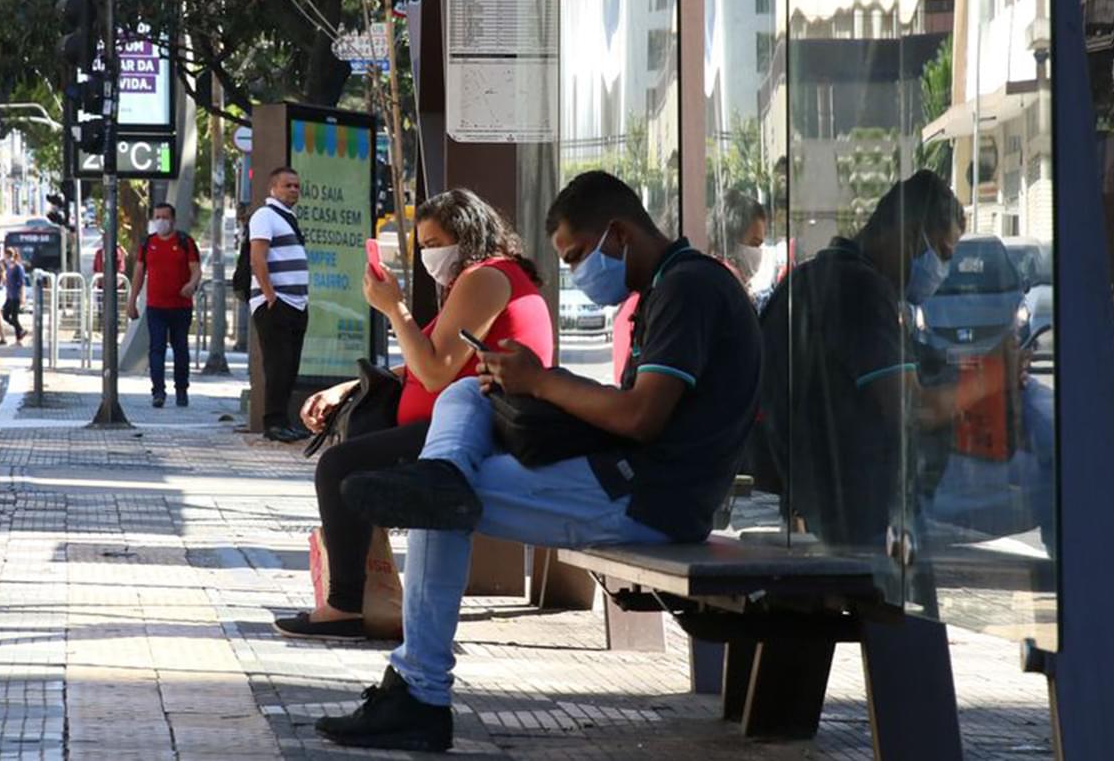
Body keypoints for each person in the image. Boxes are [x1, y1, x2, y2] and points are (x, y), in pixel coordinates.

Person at [319, 171, 764, 752]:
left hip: (648, 496)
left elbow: (641, 418)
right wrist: (526, 381)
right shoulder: (669, 287)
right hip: (625, 476)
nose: (579, 272)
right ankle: (444, 473)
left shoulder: (689, 289)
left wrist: (545, 382)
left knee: (435, 504)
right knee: (463, 400)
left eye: (579, 255)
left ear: (620, 233)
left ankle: (419, 695)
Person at [274, 189, 554, 641]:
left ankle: (345, 604)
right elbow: (427, 359)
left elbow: (436, 371)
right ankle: (358, 597)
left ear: (467, 235)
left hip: (477, 430)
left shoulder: (486, 278)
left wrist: (394, 308)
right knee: (351, 456)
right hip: (453, 424)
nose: (429, 255)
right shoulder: (479, 279)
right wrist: (347, 386)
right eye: (422, 246)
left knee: (340, 466)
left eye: (435, 242)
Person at [758, 169, 964, 553]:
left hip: (813, 505)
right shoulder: (861, 290)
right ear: (910, 233)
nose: (941, 269)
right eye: (942, 252)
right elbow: (911, 407)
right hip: (858, 516)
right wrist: (993, 375)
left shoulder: (808, 279)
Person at [249, 167, 311, 442]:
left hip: (296, 303)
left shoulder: (288, 218)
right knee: (277, 365)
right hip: (277, 303)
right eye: (288, 185)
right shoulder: (265, 215)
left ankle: (283, 420)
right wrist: (270, 295)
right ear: (273, 188)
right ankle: (272, 423)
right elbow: (257, 258)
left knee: (289, 366)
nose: (294, 190)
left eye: (297, 186)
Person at [126, 203, 202, 408]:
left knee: (180, 349)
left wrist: (191, 284)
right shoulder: (147, 244)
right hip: (156, 307)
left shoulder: (185, 242)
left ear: (173, 220)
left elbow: (196, 269)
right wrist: (132, 301)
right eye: (157, 217)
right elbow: (139, 274)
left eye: (164, 217)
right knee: (156, 349)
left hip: (181, 306)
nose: (161, 221)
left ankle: (181, 390)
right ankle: (158, 391)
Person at [1, 248, 27, 345]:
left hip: (16, 295)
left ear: (9, 255)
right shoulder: (8, 267)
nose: (5, 258)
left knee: (15, 317)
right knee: (5, 315)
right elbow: (7, 281)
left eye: (5, 255)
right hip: (10, 295)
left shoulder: (18, 267)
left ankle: (18, 338)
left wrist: (22, 296)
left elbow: (22, 283)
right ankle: (20, 330)